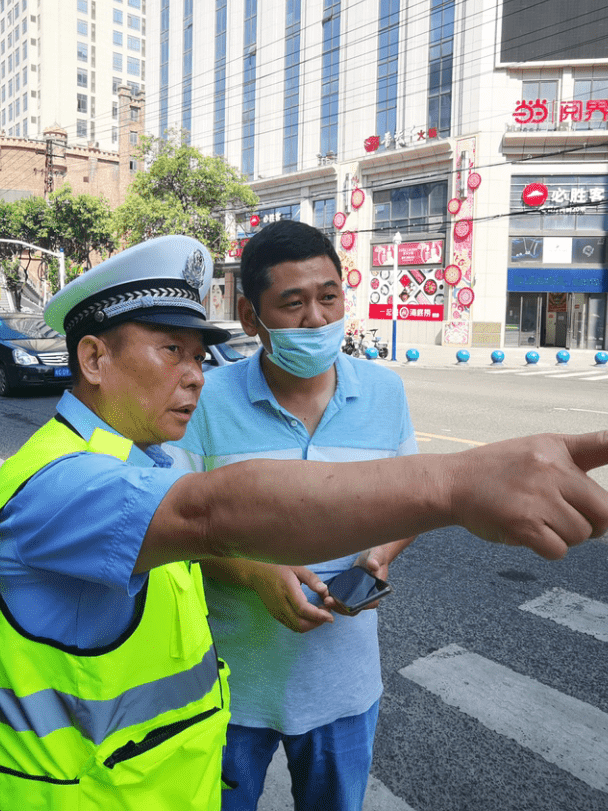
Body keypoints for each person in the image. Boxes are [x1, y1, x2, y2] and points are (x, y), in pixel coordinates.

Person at [0, 234, 608, 810]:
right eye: (169, 351)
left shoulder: (137, 456)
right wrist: (457, 482)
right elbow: (213, 512)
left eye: (197, 353)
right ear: (93, 357)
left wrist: (379, 550)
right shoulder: (58, 482)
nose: (193, 373)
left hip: (167, 774)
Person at [169, 221, 415, 811]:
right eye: (293, 303)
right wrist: (253, 572)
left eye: (328, 297)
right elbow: (172, 530)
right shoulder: (205, 400)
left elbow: (409, 500)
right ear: (252, 319)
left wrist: (376, 557)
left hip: (344, 688)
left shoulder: (385, 393)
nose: (317, 319)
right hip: (226, 690)